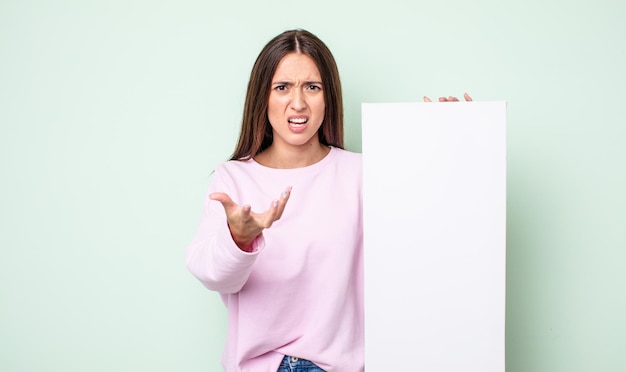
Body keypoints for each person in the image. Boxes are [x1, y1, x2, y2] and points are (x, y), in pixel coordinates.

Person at [186, 28, 471, 372]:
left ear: (328, 97)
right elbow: (212, 274)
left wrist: (452, 142)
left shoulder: (362, 174)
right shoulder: (233, 178)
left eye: (312, 87)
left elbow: (426, 239)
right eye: (282, 87)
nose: (298, 103)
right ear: (262, 98)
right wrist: (239, 238)